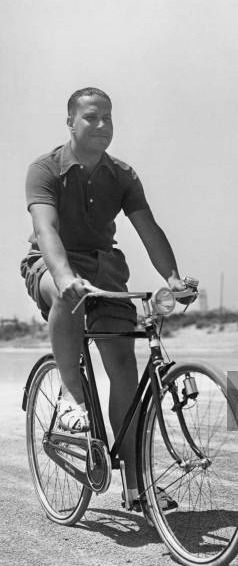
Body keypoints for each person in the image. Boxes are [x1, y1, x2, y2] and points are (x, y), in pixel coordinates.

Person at [21, 86, 189, 508]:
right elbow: (46, 231)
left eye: (108, 118)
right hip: (49, 263)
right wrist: (64, 277)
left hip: (105, 271)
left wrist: (174, 277)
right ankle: (73, 396)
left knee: (125, 373)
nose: (101, 126)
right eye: (91, 117)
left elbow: (148, 229)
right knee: (67, 296)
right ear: (70, 122)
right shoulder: (45, 169)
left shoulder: (123, 175)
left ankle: (136, 488)